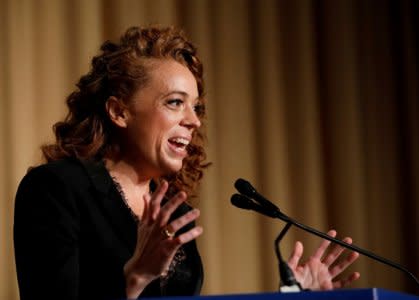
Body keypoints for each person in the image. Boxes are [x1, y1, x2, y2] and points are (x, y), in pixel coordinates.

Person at [13, 25, 360, 300]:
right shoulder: (57, 189)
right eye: (176, 103)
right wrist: (134, 278)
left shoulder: (174, 213)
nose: (193, 121)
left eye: (196, 107)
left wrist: (292, 298)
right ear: (120, 111)